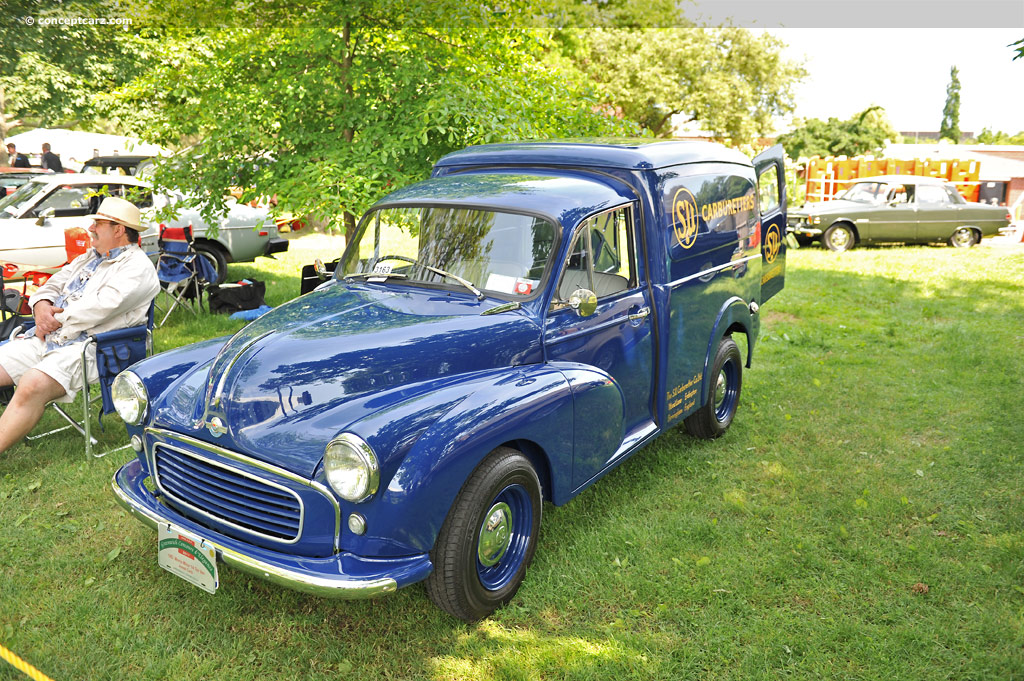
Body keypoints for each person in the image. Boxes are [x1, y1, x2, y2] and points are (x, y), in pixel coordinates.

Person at [0, 196, 159, 455]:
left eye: (98, 223)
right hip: (50, 335)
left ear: (118, 230)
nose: (91, 228)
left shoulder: (138, 268)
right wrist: (40, 306)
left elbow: (98, 308)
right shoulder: (89, 257)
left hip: (95, 347)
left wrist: (51, 319)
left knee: (32, 384)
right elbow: (52, 284)